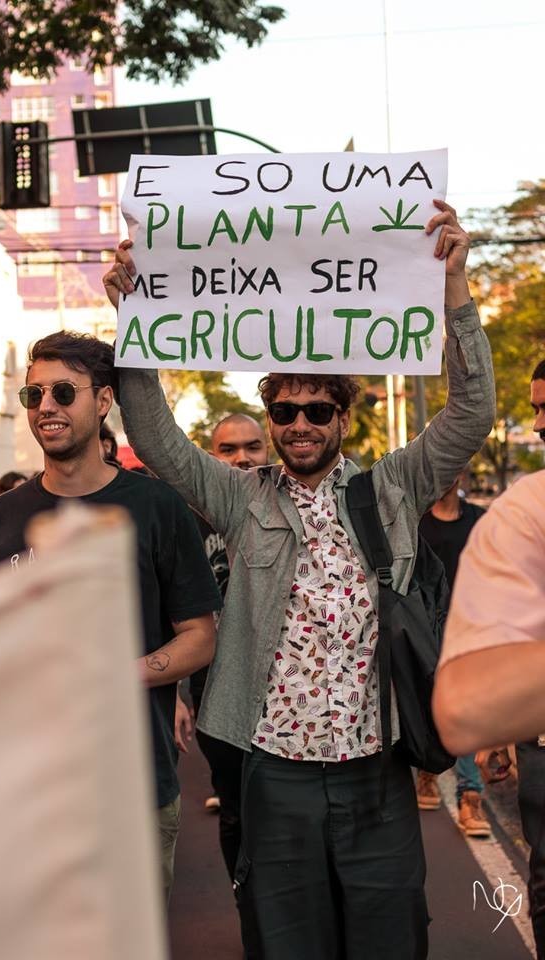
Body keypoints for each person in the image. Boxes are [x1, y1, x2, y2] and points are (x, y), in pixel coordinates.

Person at [104, 200, 495, 959]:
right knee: (287, 945)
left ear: (343, 416)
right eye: (284, 412)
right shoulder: (240, 499)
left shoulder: (393, 487)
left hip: (376, 768)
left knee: (388, 940)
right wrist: (133, 316)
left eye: (318, 409)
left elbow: (472, 412)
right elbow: (155, 436)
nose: (300, 424)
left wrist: (455, 289)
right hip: (274, 772)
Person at [0, 331, 221, 903]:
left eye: (63, 392)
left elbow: (200, 637)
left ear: (103, 401)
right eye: (34, 395)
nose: (46, 407)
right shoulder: (0, 518)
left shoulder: (156, 507)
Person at [434, 358, 545, 959]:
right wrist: (504, 726)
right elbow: (467, 710)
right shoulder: (525, 510)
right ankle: (465, 794)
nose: (541, 423)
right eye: (537, 410)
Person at [176, 413, 268, 884]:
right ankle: (247, 902)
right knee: (235, 807)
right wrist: (176, 694)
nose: (242, 458)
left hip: (284, 687)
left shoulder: (288, 505)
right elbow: (168, 606)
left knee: (285, 807)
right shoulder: (188, 518)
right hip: (214, 686)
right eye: (228, 449)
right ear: (212, 456)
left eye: (252, 446)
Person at [415, 473, 490, 837]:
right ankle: (427, 773)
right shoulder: (416, 522)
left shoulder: (479, 520)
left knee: (466, 712)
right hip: (427, 629)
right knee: (430, 705)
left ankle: (470, 795)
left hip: (469, 630)